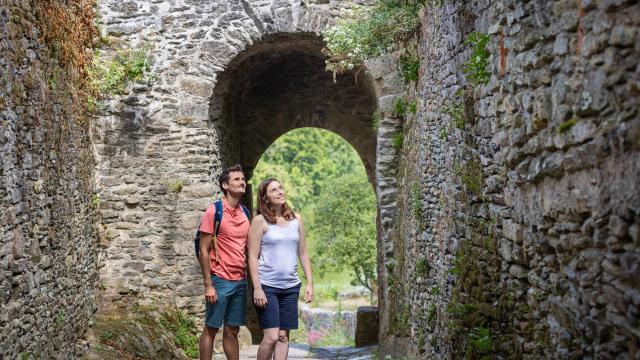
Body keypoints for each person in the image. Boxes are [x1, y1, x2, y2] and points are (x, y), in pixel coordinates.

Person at [247, 178, 314, 360]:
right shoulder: (260, 221)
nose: (280, 192)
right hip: (267, 286)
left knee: (283, 337)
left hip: (291, 287)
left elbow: (303, 253)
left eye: (281, 188)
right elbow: (252, 256)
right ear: (266, 198)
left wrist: (309, 283)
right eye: (274, 190)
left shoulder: (296, 219)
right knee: (271, 337)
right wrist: (257, 288)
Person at [197, 164, 250, 360]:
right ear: (225, 185)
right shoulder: (214, 211)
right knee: (211, 328)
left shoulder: (245, 212)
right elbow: (204, 249)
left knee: (232, 330)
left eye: (243, 179)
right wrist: (208, 284)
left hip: (240, 281)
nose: (242, 182)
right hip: (219, 279)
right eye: (237, 179)